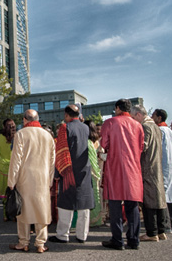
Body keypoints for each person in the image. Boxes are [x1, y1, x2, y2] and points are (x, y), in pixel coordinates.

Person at [7, 109, 56, 253]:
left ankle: (24, 242)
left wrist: (11, 180)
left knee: (23, 210)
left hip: (25, 177)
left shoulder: (21, 134)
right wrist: (50, 180)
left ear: (24, 120)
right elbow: (52, 161)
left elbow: (16, 160)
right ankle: (40, 243)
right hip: (42, 178)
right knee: (42, 210)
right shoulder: (48, 136)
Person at [100, 99, 144, 250]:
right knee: (132, 205)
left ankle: (117, 240)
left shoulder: (110, 123)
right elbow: (141, 147)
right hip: (133, 168)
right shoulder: (138, 125)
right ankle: (134, 240)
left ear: (118, 108)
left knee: (115, 205)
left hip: (116, 166)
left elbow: (104, 144)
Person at [49, 104, 94, 244]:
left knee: (65, 204)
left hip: (68, 170)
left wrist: (57, 172)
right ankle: (82, 235)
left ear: (66, 115)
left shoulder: (65, 128)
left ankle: (63, 235)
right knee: (83, 203)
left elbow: (61, 151)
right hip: (84, 169)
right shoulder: (85, 127)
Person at [131, 105, 167, 242]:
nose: (134, 121)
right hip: (156, 164)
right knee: (158, 197)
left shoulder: (145, 127)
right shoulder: (156, 127)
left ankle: (152, 232)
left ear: (139, 115)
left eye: (134, 118)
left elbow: (142, 146)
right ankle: (161, 229)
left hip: (147, 165)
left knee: (149, 199)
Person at [153, 109, 172, 233]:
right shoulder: (169, 131)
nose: (152, 118)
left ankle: (165, 225)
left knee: (163, 195)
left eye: (153, 116)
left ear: (159, 117)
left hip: (162, 165)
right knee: (171, 195)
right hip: (171, 165)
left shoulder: (160, 130)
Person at [0, 118, 16, 219]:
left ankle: (5, 214)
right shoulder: (17, 137)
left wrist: (0, 163)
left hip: (2, 168)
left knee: (4, 193)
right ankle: (15, 213)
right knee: (15, 193)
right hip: (14, 168)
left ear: (4, 126)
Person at [85, 120, 104, 227]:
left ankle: (92, 219)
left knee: (92, 195)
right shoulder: (96, 141)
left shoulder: (87, 142)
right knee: (96, 194)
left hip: (90, 170)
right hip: (97, 169)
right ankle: (97, 218)